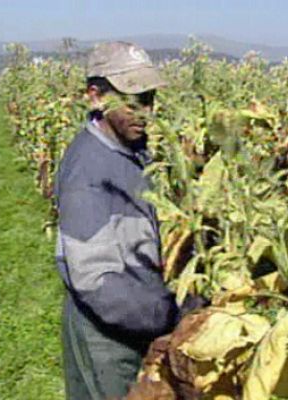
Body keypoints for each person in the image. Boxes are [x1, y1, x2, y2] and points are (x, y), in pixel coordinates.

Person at [55, 42, 179, 399]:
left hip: (134, 317)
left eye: (150, 98)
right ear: (95, 96)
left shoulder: (132, 150)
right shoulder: (88, 172)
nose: (144, 112)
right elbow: (96, 280)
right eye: (132, 99)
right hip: (109, 334)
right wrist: (169, 315)